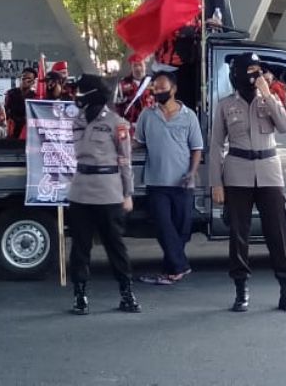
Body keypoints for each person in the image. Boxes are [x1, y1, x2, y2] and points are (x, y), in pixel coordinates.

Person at [210, 52, 286, 313]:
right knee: (239, 235)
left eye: (258, 70)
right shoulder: (225, 105)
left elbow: (285, 126)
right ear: (237, 73)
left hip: (269, 173)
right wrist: (216, 182)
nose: (256, 75)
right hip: (237, 173)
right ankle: (241, 291)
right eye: (250, 70)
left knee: (278, 232)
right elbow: (216, 145)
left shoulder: (269, 98)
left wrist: (267, 94)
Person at [68, 74, 141, 315]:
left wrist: (127, 193)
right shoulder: (76, 120)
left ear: (93, 94)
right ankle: (80, 295)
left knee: (115, 245)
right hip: (80, 190)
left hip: (109, 191)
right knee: (80, 247)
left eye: (81, 91)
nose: (77, 96)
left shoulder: (116, 122)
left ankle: (127, 293)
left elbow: (125, 160)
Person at [134, 71, 203, 285]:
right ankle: (181, 266)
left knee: (181, 230)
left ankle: (170, 271)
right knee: (164, 226)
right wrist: (119, 141)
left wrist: (191, 173)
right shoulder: (147, 115)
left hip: (182, 182)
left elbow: (197, 148)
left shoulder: (189, 115)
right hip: (156, 181)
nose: (158, 91)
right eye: (155, 88)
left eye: (162, 87)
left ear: (173, 89)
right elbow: (137, 142)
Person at [115, 53, 154, 124]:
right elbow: (118, 106)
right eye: (135, 65)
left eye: (140, 65)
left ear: (145, 66)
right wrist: (121, 122)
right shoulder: (122, 83)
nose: (138, 68)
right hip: (130, 123)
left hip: (150, 123)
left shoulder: (153, 81)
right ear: (131, 67)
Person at [4, 67, 37, 139]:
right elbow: (7, 111)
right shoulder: (11, 93)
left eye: (28, 79)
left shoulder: (35, 96)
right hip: (13, 130)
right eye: (23, 78)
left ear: (33, 81)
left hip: (28, 130)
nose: (25, 80)